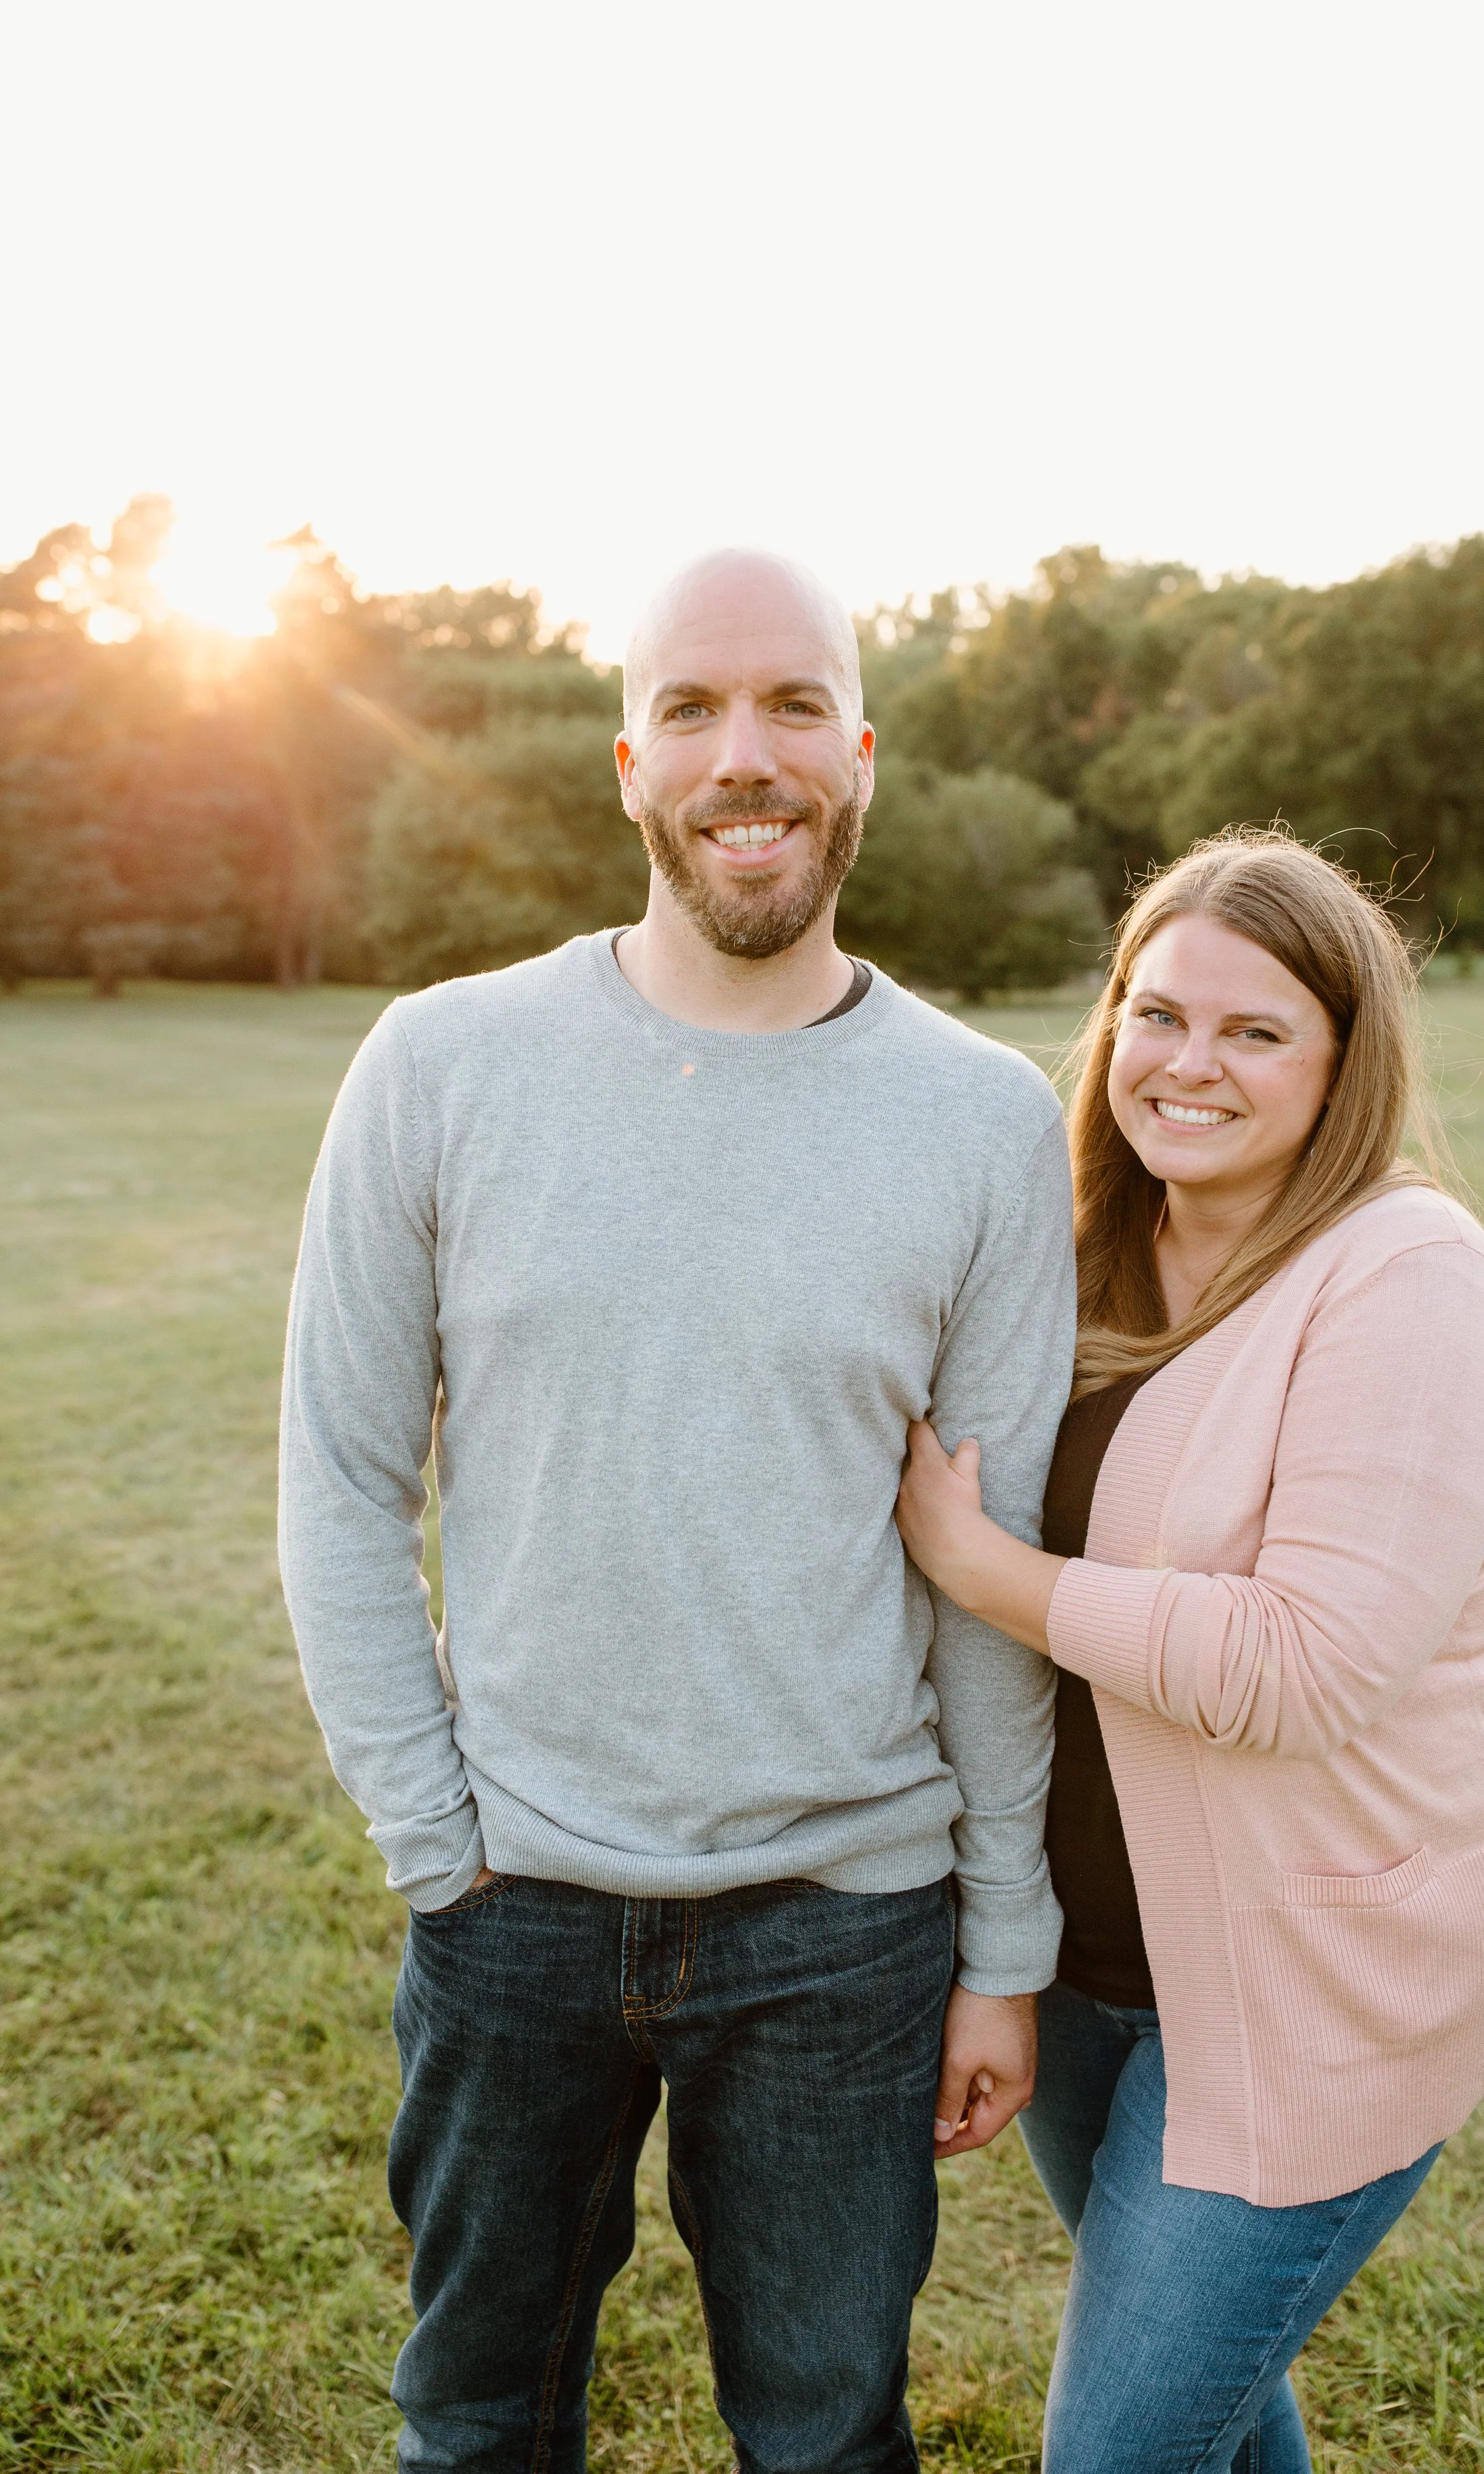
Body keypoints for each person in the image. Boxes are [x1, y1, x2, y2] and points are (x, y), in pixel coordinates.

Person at [278, 549, 1077, 2474]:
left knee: (822, 2432)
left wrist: (999, 1937)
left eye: (797, 704)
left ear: (859, 756)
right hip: (513, 1900)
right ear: (629, 759)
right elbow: (339, 1475)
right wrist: (434, 1837)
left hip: (846, 1921)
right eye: (700, 709)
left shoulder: (980, 1119)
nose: (750, 754)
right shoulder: (442, 1065)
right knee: (474, 2420)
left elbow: (987, 1566)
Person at [894, 830, 1484, 2474]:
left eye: (1254, 1032)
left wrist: (991, 1571)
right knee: (1218, 2415)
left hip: (1308, 1983)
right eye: (1156, 1013)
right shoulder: (1075, 1247)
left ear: (1340, 1068)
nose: (1186, 1065)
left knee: (1118, 2453)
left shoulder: (1409, 1280)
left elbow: (1308, 1662)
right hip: (1081, 1962)